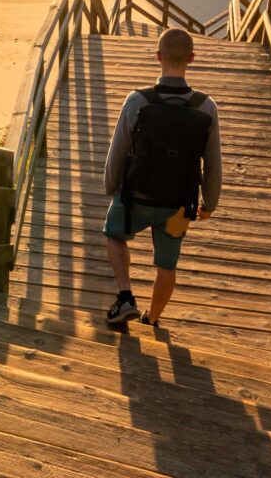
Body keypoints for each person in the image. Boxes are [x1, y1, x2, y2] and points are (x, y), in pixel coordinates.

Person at [103, 27, 222, 328]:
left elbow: (118, 150)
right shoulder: (206, 107)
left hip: (135, 196)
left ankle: (126, 297)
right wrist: (210, 203)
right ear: (191, 58)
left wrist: (111, 185)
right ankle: (152, 318)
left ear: (158, 57)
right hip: (180, 205)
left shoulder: (137, 101)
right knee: (167, 263)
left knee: (114, 234)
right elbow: (213, 162)